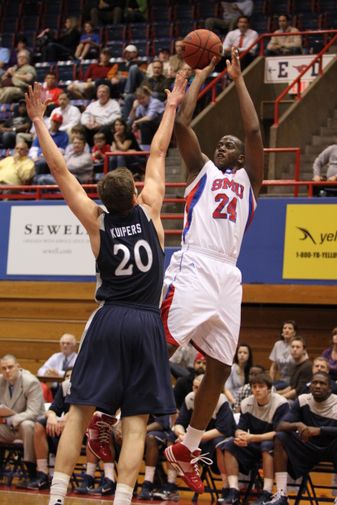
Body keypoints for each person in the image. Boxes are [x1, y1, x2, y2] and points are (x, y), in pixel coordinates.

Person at [25, 71, 187, 505]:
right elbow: (156, 149)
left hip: (109, 317)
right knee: (135, 423)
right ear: (135, 194)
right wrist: (171, 106)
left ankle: (58, 496)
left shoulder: (97, 223)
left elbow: (59, 171)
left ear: (103, 199)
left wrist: (39, 120)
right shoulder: (151, 214)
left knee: (79, 412)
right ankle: (121, 499)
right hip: (147, 323)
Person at [162, 47, 264, 494]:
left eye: (231, 145)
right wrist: (202, 72)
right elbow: (183, 124)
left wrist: (239, 79)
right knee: (160, 343)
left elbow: (254, 129)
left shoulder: (248, 182)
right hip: (196, 262)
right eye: (219, 142)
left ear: (240, 159)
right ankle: (106, 409)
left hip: (228, 275)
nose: (224, 144)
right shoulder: (198, 169)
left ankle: (186, 444)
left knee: (221, 367)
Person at [264, 371, 337, 505]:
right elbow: (280, 425)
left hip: (331, 449)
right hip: (308, 448)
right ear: (310, 386)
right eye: (315, 382)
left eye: (322, 383)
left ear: (330, 388)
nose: (318, 386)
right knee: (280, 437)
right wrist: (297, 424)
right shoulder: (303, 400)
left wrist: (320, 430)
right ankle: (282, 495)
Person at [220, 373, 289, 505]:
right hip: (254, 441)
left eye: (261, 386)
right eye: (254, 386)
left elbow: (279, 433)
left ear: (269, 389)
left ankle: (266, 492)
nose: (257, 389)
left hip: (275, 445)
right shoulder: (246, 403)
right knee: (230, 445)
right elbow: (240, 428)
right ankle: (234, 491)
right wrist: (240, 436)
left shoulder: (281, 404)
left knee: (266, 445)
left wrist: (252, 438)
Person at [172, 374, 236, 501]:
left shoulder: (220, 400)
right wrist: (181, 434)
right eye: (194, 387)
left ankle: (226, 488)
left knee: (220, 444)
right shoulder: (190, 398)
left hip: (216, 438)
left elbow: (222, 430)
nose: (195, 391)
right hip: (196, 439)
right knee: (172, 439)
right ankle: (170, 484)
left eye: (198, 388)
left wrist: (191, 438)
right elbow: (179, 423)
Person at [24, 369, 73, 490]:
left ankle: (85, 478)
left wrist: (68, 418)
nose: (69, 379)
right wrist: (51, 416)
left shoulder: (88, 387)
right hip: (60, 426)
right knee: (40, 425)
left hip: (82, 427)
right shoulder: (65, 387)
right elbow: (53, 409)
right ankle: (42, 473)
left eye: (72, 376)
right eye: (67, 376)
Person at [0, 354, 45, 483]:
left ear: (18, 367)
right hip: (8, 426)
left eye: (10, 367)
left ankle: (32, 473)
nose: (7, 371)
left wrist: (10, 419)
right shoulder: (0, 381)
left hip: (31, 427)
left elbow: (34, 412)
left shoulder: (30, 382)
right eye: (4, 368)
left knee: (27, 425)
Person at [128, 85, 165, 150]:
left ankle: (146, 150)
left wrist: (136, 122)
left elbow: (149, 118)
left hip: (163, 128)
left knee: (144, 123)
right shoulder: (140, 105)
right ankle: (137, 149)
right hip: (151, 128)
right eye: (139, 99)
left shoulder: (155, 102)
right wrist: (133, 108)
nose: (141, 101)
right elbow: (131, 119)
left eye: (143, 98)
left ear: (148, 95)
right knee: (129, 126)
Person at [269, 320, 298, 390]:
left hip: (294, 381)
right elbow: (273, 367)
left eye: (290, 328)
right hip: (281, 380)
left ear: (294, 333)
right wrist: (270, 382)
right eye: (285, 328)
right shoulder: (277, 344)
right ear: (282, 332)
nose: (287, 330)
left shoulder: (297, 345)